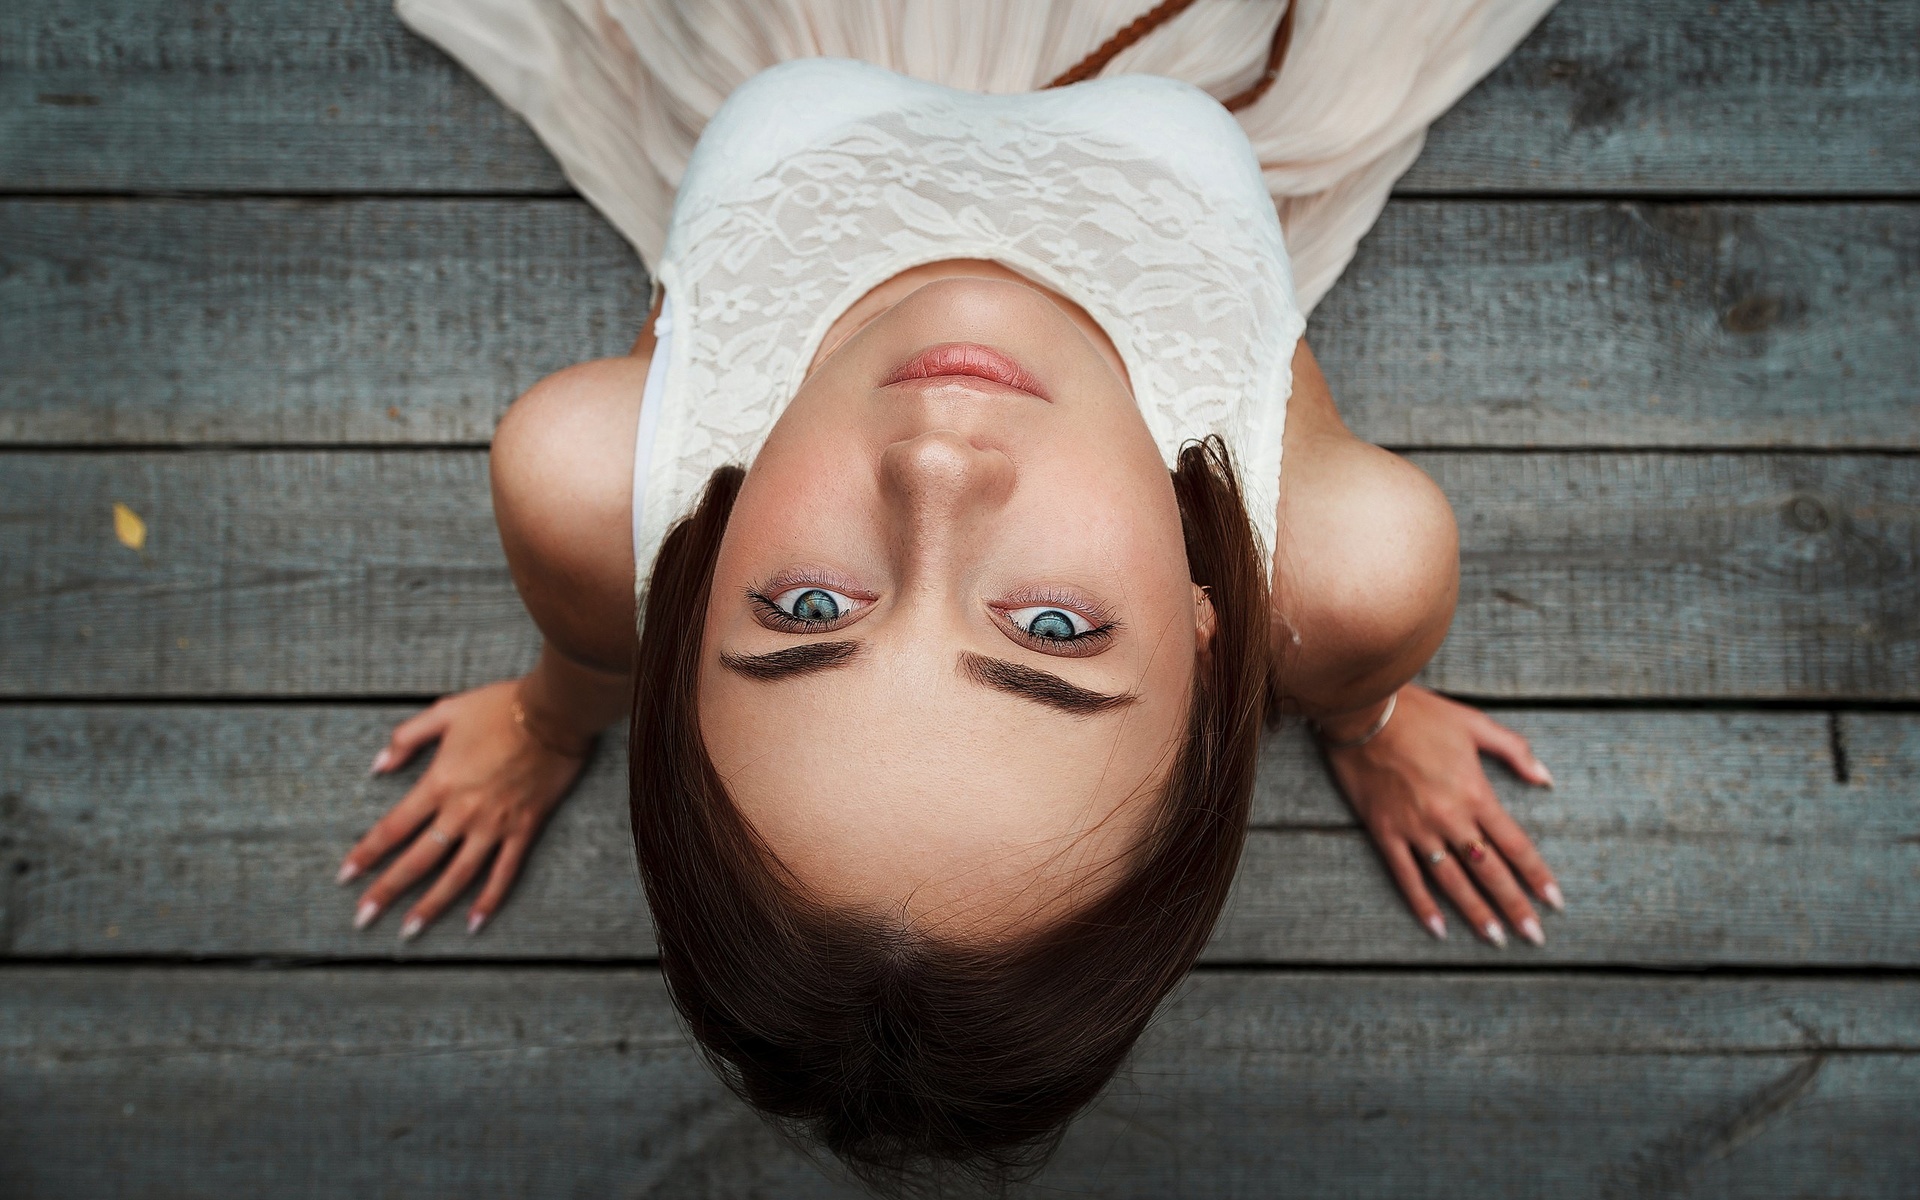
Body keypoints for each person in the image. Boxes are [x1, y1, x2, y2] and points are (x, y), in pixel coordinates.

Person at [335, 0, 1564, 1185]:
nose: (934, 466)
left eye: (810, 611)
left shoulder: (596, 481)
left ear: (690, 586)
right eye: (1054, 630)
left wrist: (551, 719)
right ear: (1211, 636)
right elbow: (1251, 356)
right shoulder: (1345, 569)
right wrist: (1366, 713)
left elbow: (620, 618)